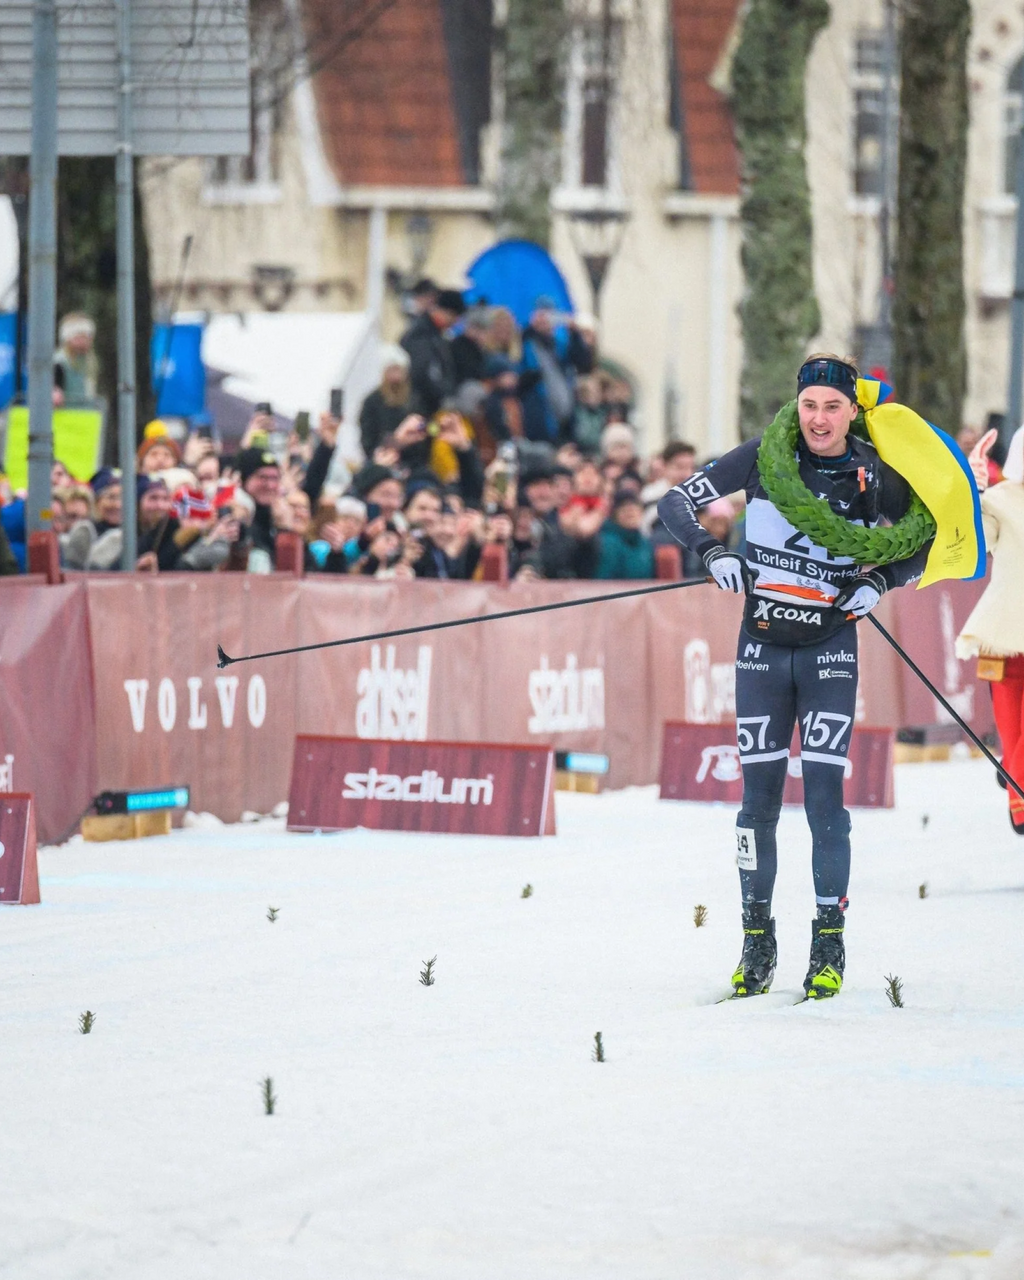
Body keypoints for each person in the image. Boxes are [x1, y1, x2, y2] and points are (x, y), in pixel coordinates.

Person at [659, 354, 932, 1000]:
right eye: (809, 405)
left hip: (828, 650)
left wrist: (879, 582)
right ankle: (756, 942)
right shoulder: (764, 457)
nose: (819, 418)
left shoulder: (871, 471)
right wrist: (713, 553)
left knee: (823, 801)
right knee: (756, 804)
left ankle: (828, 943)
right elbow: (674, 502)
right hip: (761, 649)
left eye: (832, 406)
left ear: (852, 411)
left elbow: (925, 537)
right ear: (796, 406)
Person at [957, 425, 1024, 834]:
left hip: (1002, 630)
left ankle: (1017, 792)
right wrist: (974, 491)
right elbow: (976, 543)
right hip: (1003, 635)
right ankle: (1017, 794)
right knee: (1011, 730)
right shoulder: (1001, 499)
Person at [518, 299, 594, 443]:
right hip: (539, 414)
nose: (545, 320)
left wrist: (574, 334)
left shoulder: (559, 346)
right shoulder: (526, 342)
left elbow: (584, 364)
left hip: (564, 417)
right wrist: (531, 328)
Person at [401, 288, 465, 417]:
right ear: (447, 312)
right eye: (454, 317)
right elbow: (422, 372)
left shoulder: (434, 333)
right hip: (422, 408)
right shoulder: (422, 334)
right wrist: (443, 396)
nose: (455, 322)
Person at [358, 347, 415, 459]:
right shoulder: (372, 401)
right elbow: (368, 438)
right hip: (383, 457)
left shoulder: (414, 398)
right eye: (392, 370)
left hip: (413, 459)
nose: (396, 375)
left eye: (398, 369)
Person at [595, 491, 655, 579]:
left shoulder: (645, 543)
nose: (630, 511)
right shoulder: (607, 543)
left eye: (635, 507)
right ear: (615, 515)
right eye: (624, 508)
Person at [53, 313, 99, 405]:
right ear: (67, 338)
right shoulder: (58, 363)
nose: (86, 341)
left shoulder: (89, 362)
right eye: (81, 337)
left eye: (89, 337)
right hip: (65, 413)